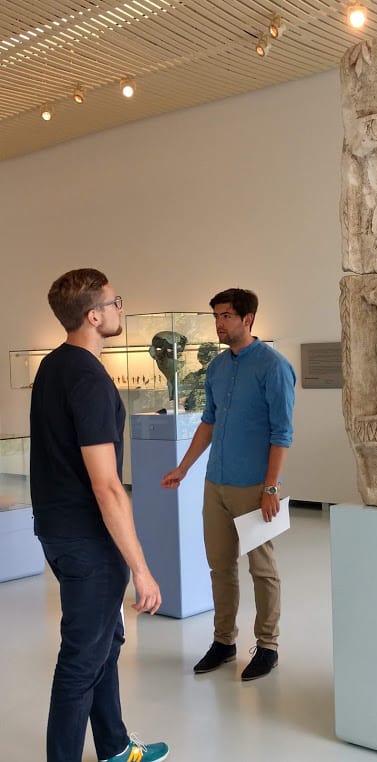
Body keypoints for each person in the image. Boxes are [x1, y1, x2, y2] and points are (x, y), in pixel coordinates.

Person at [30, 268, 169, 762]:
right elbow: (107, 485)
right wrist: (141, 569)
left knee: (105, 642)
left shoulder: (54, 366)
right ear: (94, 315)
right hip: (87, 538)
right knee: (81, 659)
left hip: (57, 530)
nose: (120, 309)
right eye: (115, 303)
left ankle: (113, 746)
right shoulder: (88, 380)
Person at [161, 288, 295, 681]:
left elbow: (282, 432)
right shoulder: (218, 368)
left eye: (226, 316)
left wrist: (271, 487)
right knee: (220, 568)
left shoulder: (274, 367)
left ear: (248, 318)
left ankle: (267, 646)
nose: (219, 324)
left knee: (262, 569)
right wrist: (184, 467)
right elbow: (209, 421)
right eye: (216, 316)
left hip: (255, 488)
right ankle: (224, 641)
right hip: (215, 484)